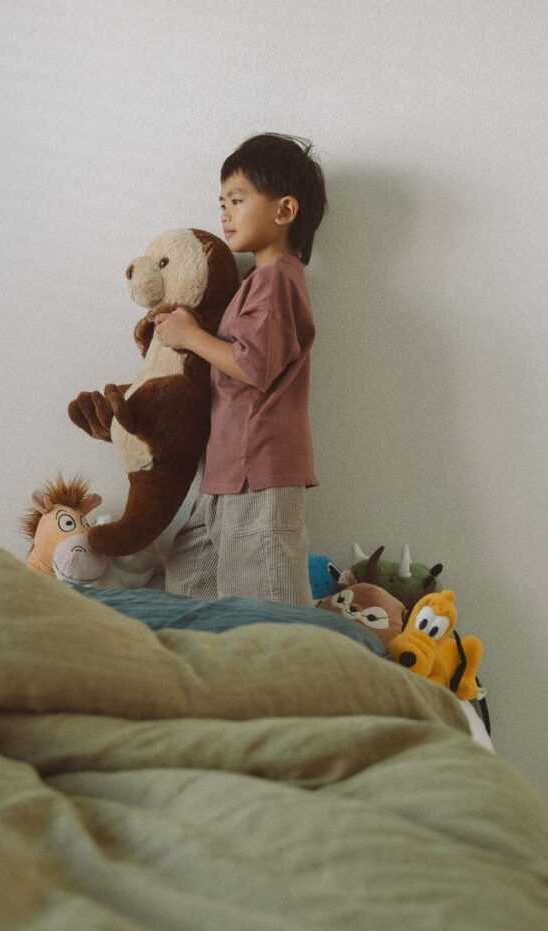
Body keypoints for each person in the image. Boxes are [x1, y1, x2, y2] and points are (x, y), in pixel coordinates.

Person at [155, 133, 326, 605]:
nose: (225, 212)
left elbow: (253, 364)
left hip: (259, 469)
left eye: (237, 199)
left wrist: (190, 338)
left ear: (284, 211)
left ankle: (284, 676)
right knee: (190, 578)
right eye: (222, 202)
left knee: (265, 601)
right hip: (229, 470)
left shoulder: (276, 281)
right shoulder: (258, 282)